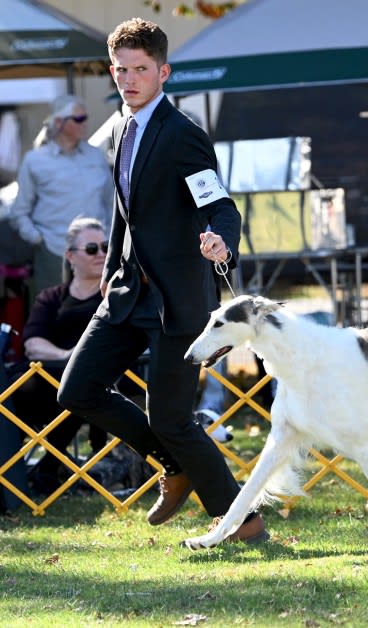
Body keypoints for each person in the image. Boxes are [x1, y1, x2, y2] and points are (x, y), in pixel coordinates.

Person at [58, 18, 268, 544]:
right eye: (122, 70)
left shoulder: (183, 134)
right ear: (113, 71)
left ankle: (243, 522)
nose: (130, 79)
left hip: (177, 298)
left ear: (163, 72)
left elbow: (218, 202)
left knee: (172, 418)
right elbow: (124, 209)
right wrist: (109, 271)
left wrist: (221, 238)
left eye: (141, 70)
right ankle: (172, 467)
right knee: (77, 389)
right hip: (128, 291)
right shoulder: (122, 128)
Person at [9, 217, 109, 495]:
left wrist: (76, 364)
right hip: (44, 378)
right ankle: (10, 473)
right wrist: (67, 356)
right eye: (91, 249)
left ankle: (48, 469)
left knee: (76, 384)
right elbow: (32, 343)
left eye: (105, 246)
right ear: (70, 256)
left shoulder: (116, 297)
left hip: (100, 380)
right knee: (12, 388)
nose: (101, 254)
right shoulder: (51, 296)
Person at [9, 95, 113, 298]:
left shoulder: (96, 155)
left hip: (98, 253)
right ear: (59, 122)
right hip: (54, 254)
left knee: (100, 318)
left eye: (85, 117)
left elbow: (112, 202)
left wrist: (109, 238)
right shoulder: (35, 160)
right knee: (54, 318)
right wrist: (39, 239)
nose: (85, 123)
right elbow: (18, 212)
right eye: (79, 119)